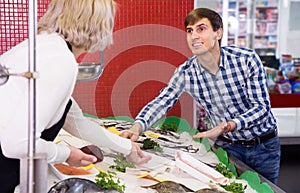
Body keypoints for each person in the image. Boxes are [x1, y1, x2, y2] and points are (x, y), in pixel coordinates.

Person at [0, 0, 151, 192]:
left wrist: (127, 148)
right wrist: (66, 153)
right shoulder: (59, 60)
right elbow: (17, 144)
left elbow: (76, 121)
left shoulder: (45, 48)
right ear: (99, 24)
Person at [120, 7, 280, 184]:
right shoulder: (185, 72)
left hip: (265, 146)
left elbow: (261, 108)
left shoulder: (246, 59)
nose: (194, 36)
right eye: (189, 31)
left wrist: (228, 125)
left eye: (201, 29)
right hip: (227, 147)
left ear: (218, 33)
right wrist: (137, 127)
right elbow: (162, 101)